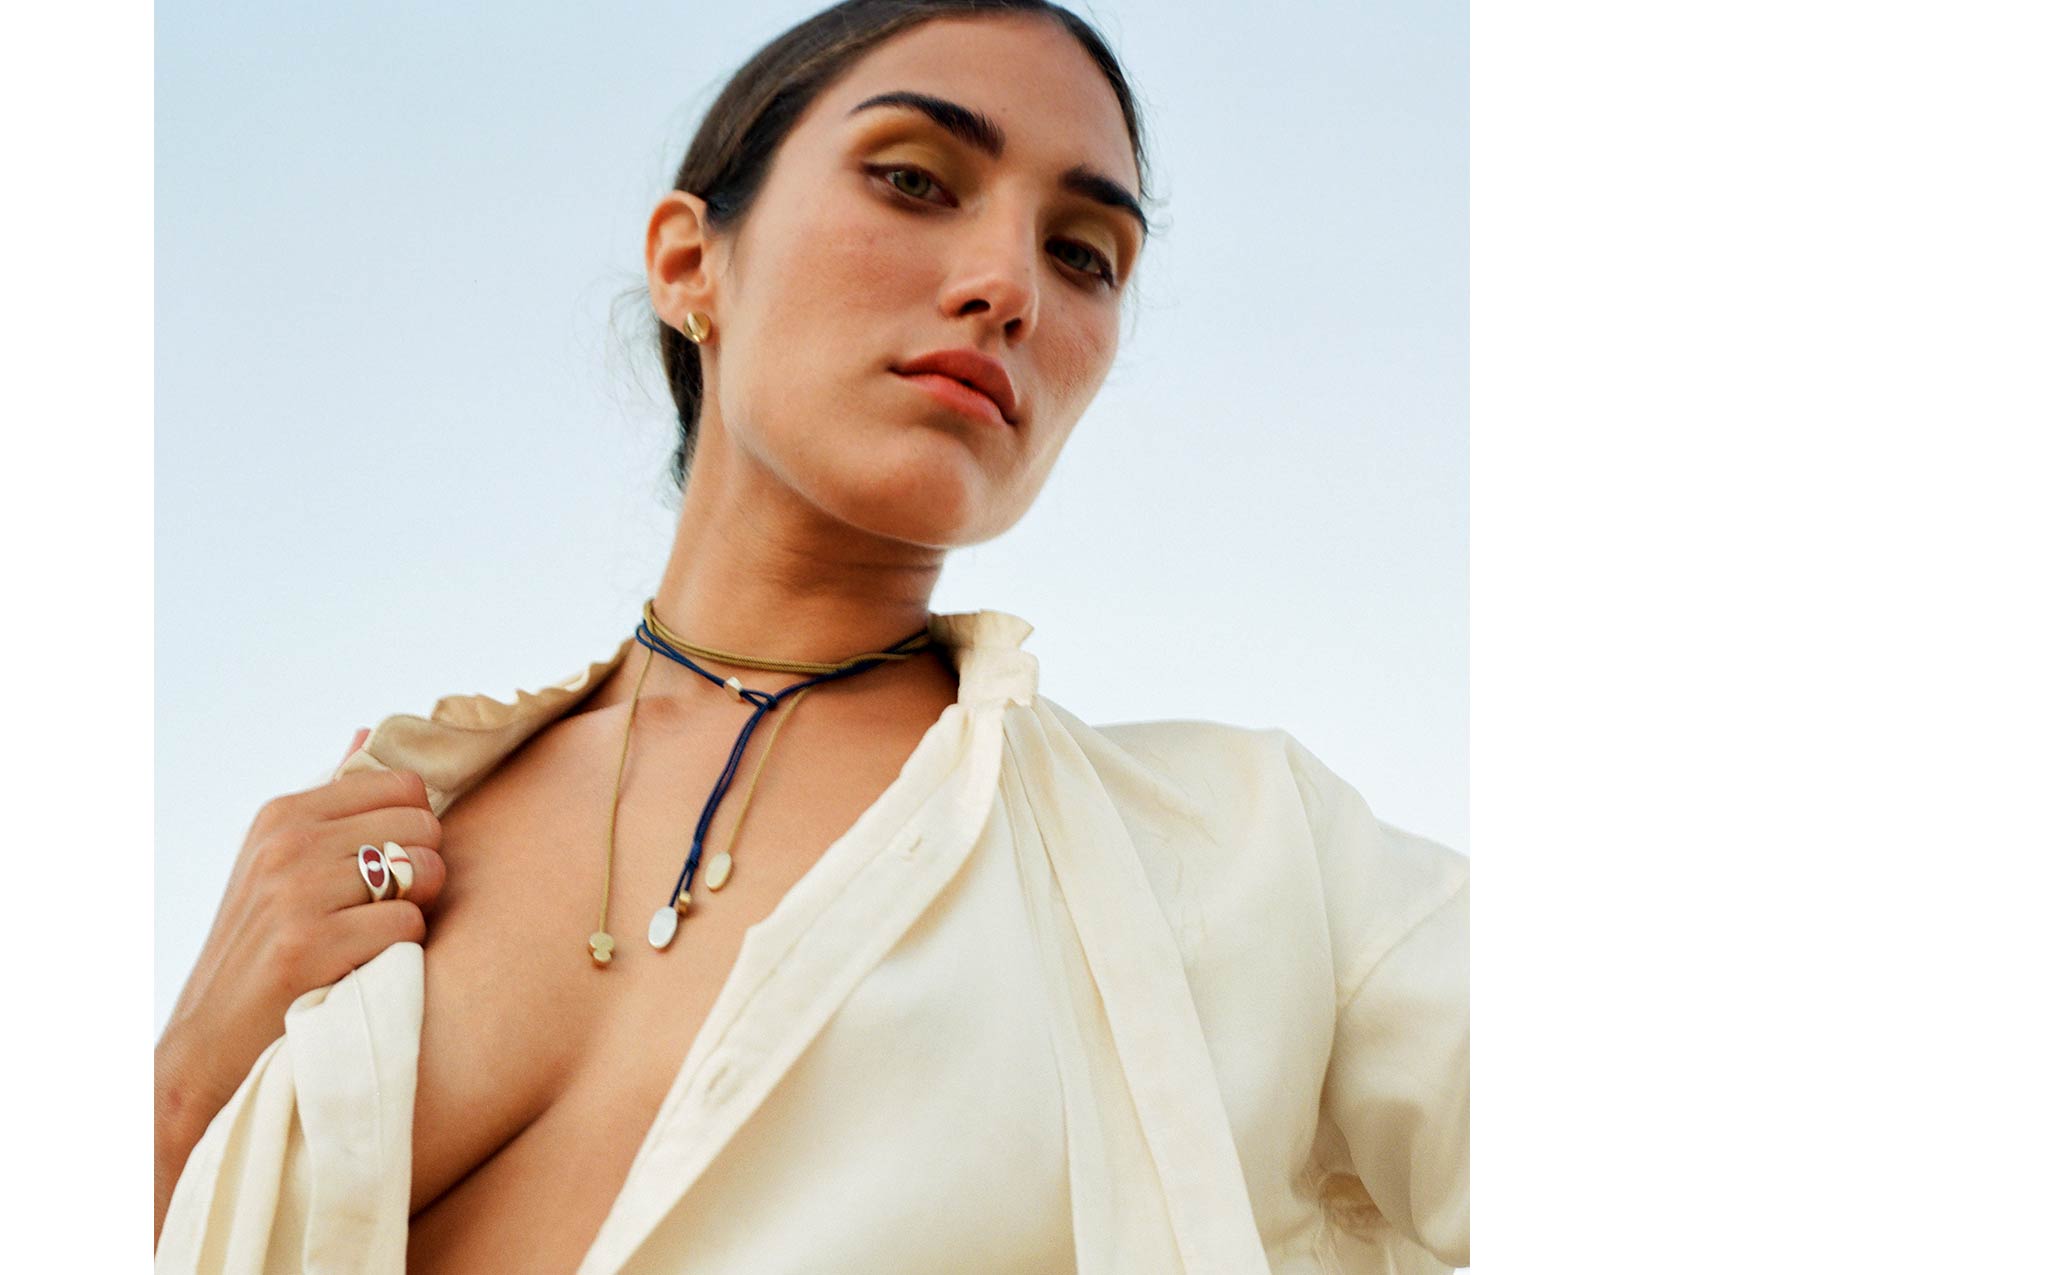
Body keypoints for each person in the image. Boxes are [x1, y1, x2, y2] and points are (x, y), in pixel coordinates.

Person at [154, 1, 1469, 1271]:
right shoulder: (370, 847)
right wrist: (177, 1096)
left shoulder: (1254, 863)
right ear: (690, 263)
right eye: (914, 179)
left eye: (1083, 254)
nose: (1008, 286)